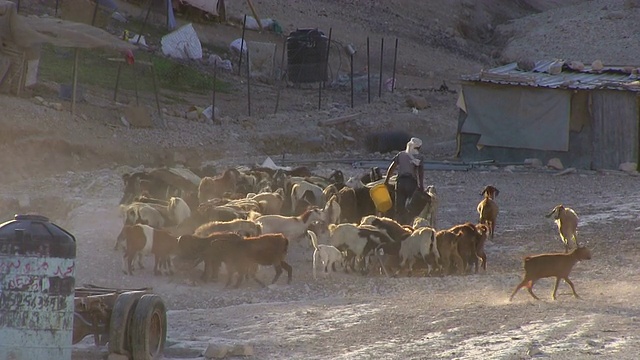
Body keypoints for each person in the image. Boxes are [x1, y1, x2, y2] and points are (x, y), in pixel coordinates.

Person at [384, 137, 425, 225]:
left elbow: (392, 167)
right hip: (411, 183)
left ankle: (399, 226)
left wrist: (386, 180)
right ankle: (408, 224)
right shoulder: (419, 157)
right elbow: (420, 172)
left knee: (399, 207)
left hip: (400, 183)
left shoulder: (401, 155)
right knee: (411, 207)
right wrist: (421, 186)